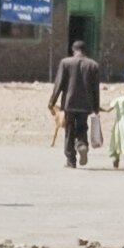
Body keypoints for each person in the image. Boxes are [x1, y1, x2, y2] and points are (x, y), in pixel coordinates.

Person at [48, 40, 101, 168]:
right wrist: (96, 106)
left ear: (73, 50)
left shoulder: (65, 63)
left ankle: (71, 160)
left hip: (69, 103)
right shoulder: (93, 65)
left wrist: (52, 102)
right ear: (85, 50)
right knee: (82, 126)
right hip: (86, 104)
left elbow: (59, 84)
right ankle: (82, 145)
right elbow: (95, 88)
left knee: (69, 130)